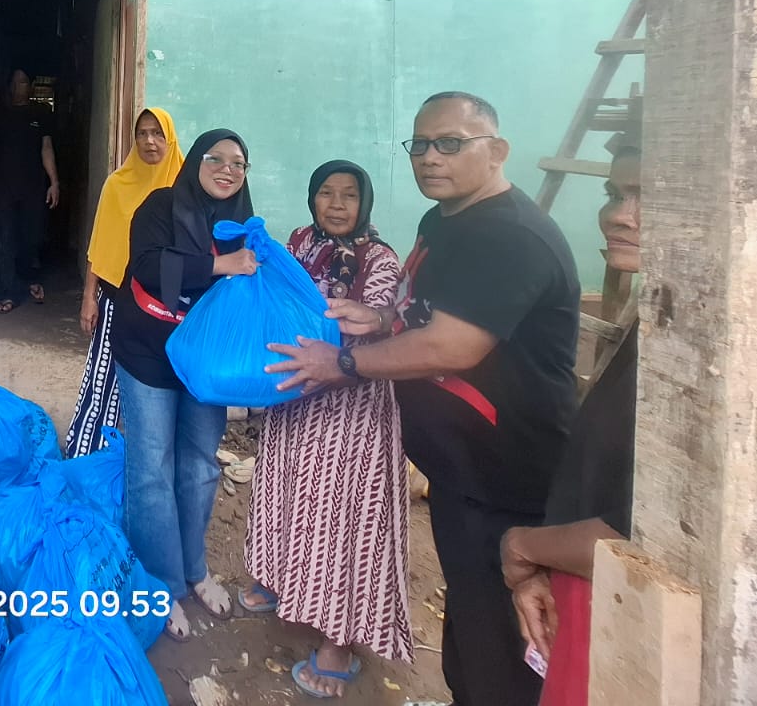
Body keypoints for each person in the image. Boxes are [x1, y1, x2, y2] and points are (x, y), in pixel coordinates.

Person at [265, 92, 580, 706]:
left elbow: (450, 346)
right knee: (470, 620)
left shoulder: (510, 237)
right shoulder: (445, 221)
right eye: (421, 144)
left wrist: (343, 362)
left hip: (507, 482)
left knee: (503, 651)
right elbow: (423, 311)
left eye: (451, 143)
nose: (430, 157)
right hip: (457, 472)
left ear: (498, 151)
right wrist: (379, 316)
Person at [241, 161, 410, 699]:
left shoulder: (380, 260)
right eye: (326, 194)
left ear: (365, 203)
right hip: (295, 399)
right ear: (312, 199)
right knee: (285, 492)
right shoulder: (299, 242)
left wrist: (329, 354)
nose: (336, 204)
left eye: (349, 195)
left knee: (341, 519)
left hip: (350, 409)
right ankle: (280, 580)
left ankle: (339, 643)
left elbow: (373, 331)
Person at [500, 131, 641, 706]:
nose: (621, 217)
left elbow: (636, 535)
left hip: (632, 610)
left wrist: (523, 548)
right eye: (615, 193)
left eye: (646, 196)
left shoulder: (710, 373)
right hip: (590, 591)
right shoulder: (654, 329)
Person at [110, 128, 260, 643]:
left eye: (238, 163)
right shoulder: (160, 204)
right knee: (152, 466)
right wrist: (222, 264)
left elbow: (252, 288)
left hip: (206, 360)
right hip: (149, 349)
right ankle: (161, 584)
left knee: (198, 464)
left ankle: (194, 569)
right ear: (194, 160)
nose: (226, 168)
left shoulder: (242, 223)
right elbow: (149, 267)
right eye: (215, 158)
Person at [63, 107, 184, 457]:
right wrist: (90, 297)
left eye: (158, 133)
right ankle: (86, 453)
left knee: (157, 389)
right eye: (142, 133)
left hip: (165, 308)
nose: (149, 141)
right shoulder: (117, 184)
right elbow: (100, 244)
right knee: (103, 379)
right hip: (117, 299)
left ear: (170, 138)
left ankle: (144, 463)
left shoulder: (185, 188)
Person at [0, 70, 59, 313]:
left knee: (31, 236)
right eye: (17, 81)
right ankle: (8, 292)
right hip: (3, 188)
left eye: (25, 81)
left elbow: (46, 147)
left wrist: (54, 182)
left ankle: (28, 280)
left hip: (33, 187)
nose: (21, 85)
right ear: (10, 86)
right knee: (5, 239)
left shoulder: (40, 113)